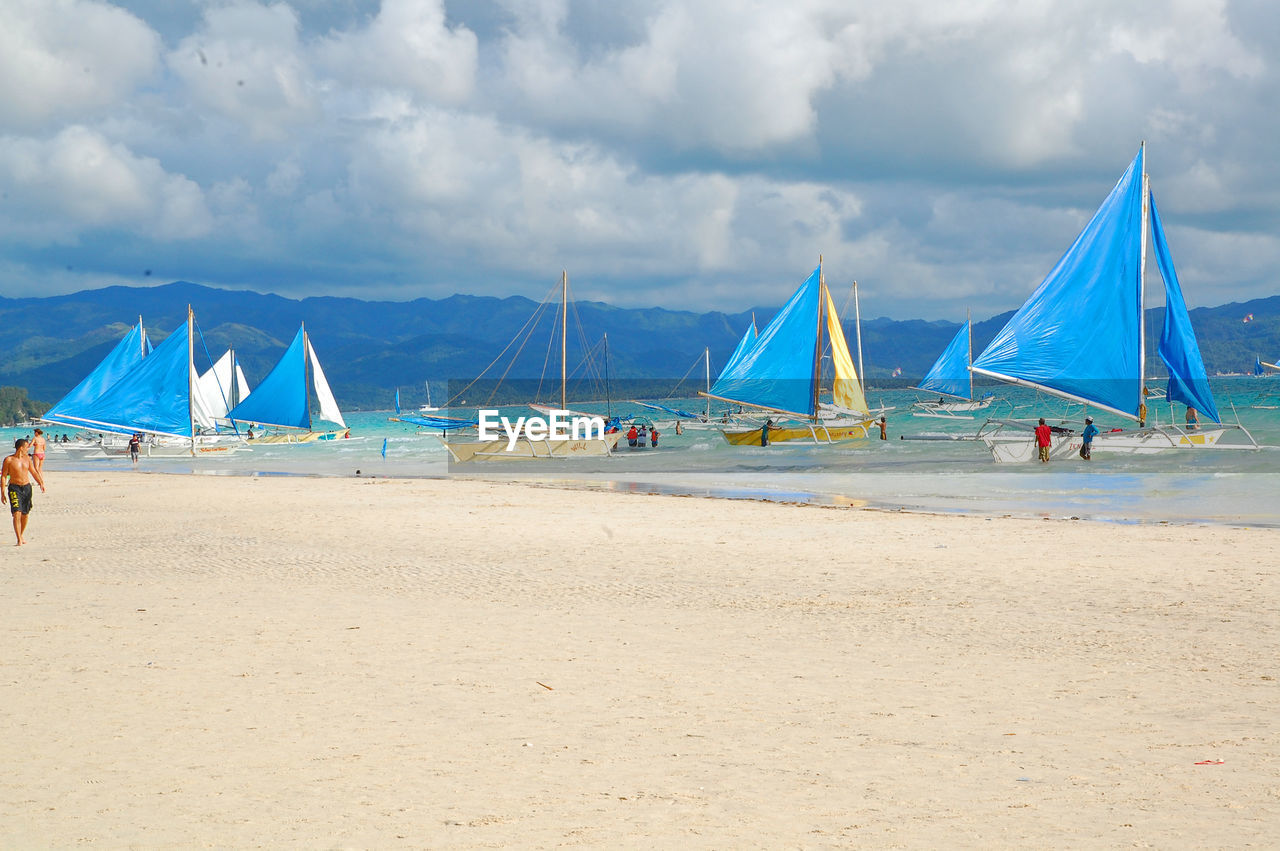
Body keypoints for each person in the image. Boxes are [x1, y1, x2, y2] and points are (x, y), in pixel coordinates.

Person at [3, 438, 46, 546]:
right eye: (27, 447)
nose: (28, 449)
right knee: (17, 513)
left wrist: (41, 483)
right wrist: (2, 492)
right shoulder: (9, 460)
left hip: (26, 487)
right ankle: (18, 539)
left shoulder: (27, 459)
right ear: (21, 448)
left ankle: (21, 534)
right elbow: (3, 476)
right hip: (14, 488)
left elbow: (33, 472)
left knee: (25, 514)